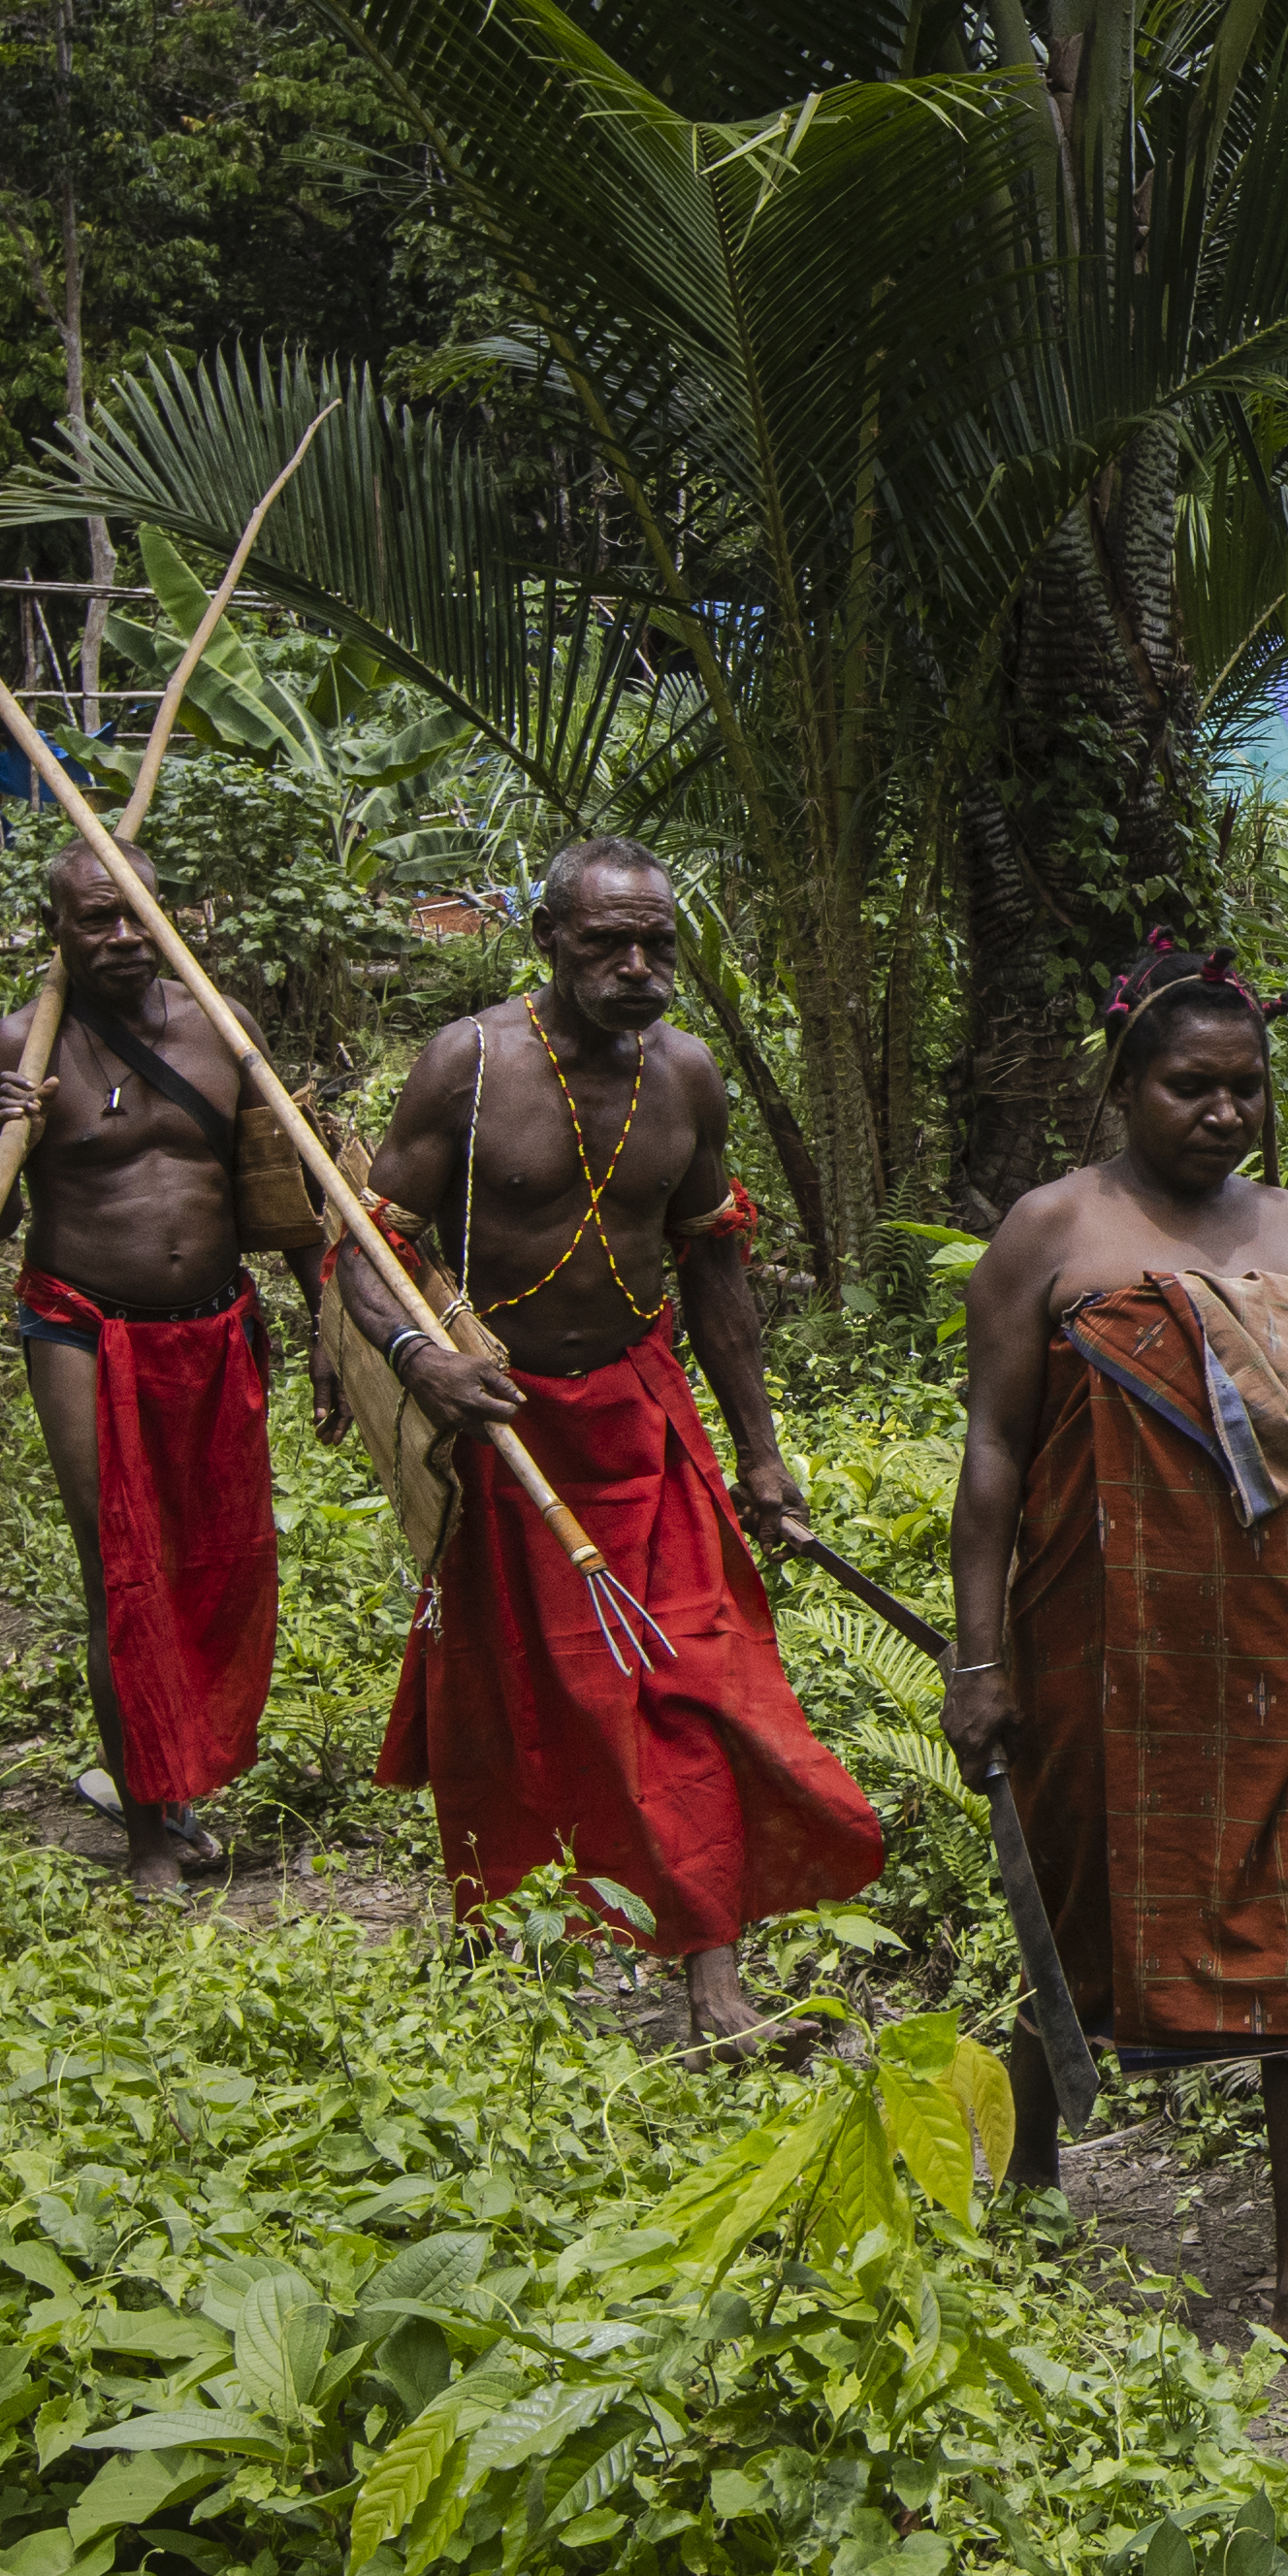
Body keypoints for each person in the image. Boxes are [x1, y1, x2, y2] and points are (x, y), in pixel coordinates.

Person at [943, 942, 1288, 2398]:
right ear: (1125, 1083)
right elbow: (990, 1457)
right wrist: (978, 1657)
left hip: (1286, 1646)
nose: (1224, 1111)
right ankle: (1033, 2175)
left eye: (1245, 1087)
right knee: (1078, 1907)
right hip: (1098, 1651)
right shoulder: (1051, 1233)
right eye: (1192, 1085)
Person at [354, 842, 887, 2042]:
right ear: (547, 939)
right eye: (608, 944)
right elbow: (364, 1245)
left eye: (657, 944)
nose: (638, 966)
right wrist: (419, 1358)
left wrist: (759, 1451)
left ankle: (712, 1979)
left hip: (645, 1417)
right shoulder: (470, 1065)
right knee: (527, 1690)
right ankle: (504, 1944)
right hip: (505, 1424)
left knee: (701, 1683)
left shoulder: (687, 1074)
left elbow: (715, 1270)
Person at [0, 838, 315, 1900]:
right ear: (57, 932)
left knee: (217, 1557)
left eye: (137, 914)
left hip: (216, 1327)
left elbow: (287, 1195)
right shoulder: (20, 1048)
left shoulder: (224, 1030)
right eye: (95, 919)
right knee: (120, 1568)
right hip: (83, 1326)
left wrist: (333, 1331)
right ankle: (147, 1839)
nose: (121, 936)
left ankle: (176, 1779)